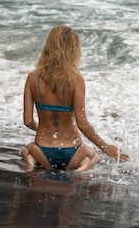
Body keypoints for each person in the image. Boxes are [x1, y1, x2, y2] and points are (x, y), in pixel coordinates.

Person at [21, 25, 129, 172]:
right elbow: (82, 123)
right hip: (73, 152)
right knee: (94, 155)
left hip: (43, 151)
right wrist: (105, 147)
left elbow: (27, 121)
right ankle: (84, 166)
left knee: (26, 149)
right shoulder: (76, 80)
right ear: (73, 49)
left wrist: (42, 130)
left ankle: (31, 161)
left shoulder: (32, 78)